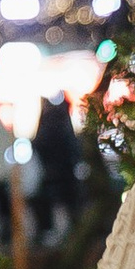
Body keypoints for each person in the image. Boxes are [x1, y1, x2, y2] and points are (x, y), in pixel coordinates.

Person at [31, 88, 82, 238]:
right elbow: (73, 146)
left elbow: (39, 145)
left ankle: (65, 234)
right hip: (65, 173)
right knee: (67, 205)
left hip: (53, 174)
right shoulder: (63, 121)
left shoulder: (47, 123)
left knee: (59, 206)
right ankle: (71, 233)